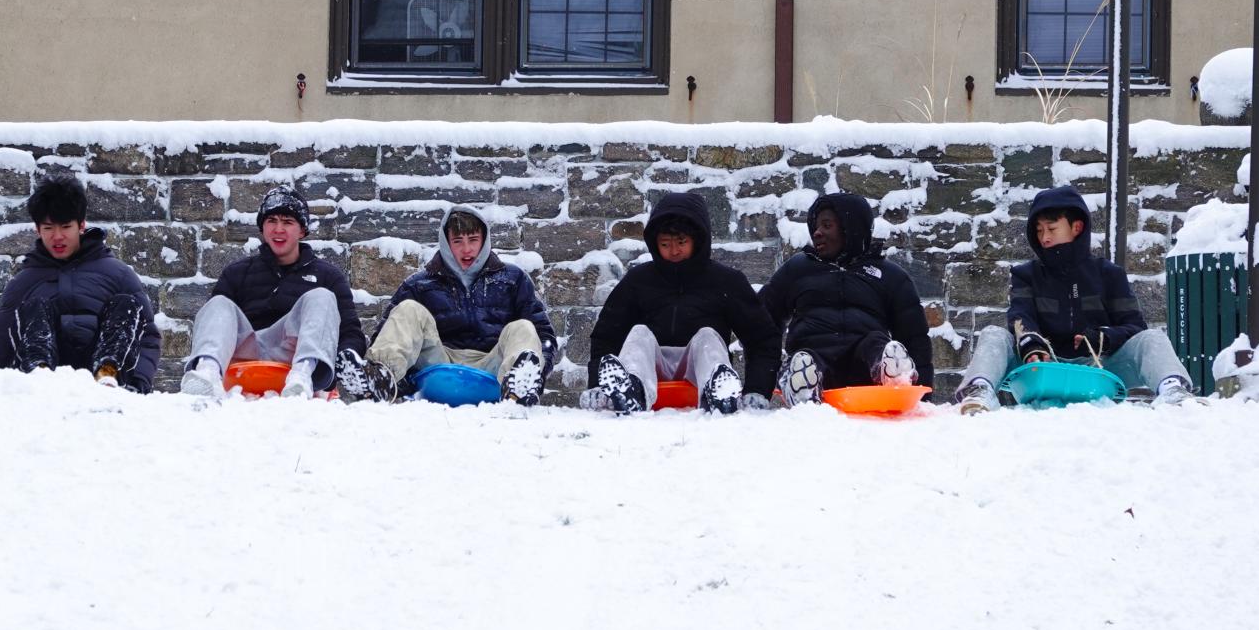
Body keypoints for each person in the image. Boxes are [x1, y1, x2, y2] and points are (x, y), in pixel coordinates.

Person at [955, 185, 1195, 414]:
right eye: (1039, 231)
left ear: (1076, 227)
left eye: (1051, 228)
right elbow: (1021, 315)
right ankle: (980, 391)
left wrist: (1105, 338)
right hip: (1041, 366)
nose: (1044, 237)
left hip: (1100, 368)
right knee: (993, 334)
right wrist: (1030, 343)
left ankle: (1173, 390)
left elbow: (1134, 327)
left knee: (1151, 337)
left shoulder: (1109, 274)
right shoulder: (1026, 275)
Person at [340, 204, 558, 405]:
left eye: (473, 240)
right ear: (446, 243)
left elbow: (543, 335)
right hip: (438, 365)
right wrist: (405, 382)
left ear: (484, 240)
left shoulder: (513, 279)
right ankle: (380, 380)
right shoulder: (420, 284)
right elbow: (388, 334)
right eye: (458, 242)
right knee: (408, 309)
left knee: (523, 327)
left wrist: (539, 375)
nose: (466, 249)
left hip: (494, 367)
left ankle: (520, 388)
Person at [585, 190, 777, 414]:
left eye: (681, 242)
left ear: (697, 240)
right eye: (665, 244)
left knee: (708, 336)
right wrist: (598, 385)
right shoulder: (638, 281)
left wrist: (757, 389)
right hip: (651, 372)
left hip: (699, 371)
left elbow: (762, 338)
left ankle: (719, 396)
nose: (674, 251)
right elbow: (607, 335)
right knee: (638, 333)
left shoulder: (726, 282)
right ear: (655, 244)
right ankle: (631, 392)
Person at [0, 173, 160, 388]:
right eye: (48, 228)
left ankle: (107, 375)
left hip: (109, 380)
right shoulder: (24, 283)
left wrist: (141, 383)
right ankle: (40, 373)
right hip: (45, 385)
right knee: (34, 305)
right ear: (37, 230)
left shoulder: (118, 274)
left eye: (65, 227)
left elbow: (147, 335)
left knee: (126, 304)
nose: (57, 237)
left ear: (81, 225)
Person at [179, 187, 364, 400]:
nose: (278, 229)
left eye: (287, 222)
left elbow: (351, 332)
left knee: (321, 296)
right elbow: (215, 325)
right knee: (219, 303)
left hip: (291, 359)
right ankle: (208, 373)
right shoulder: (237, 273)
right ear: (262, 228)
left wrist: (343, 363)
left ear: (302, 230)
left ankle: (302, 376)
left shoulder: (327, 276)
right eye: (272, 221)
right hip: (243, 361)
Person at [758, 191, 932, 406]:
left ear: (851, 228)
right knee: (805, 358)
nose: (817, 233)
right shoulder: (796, 270)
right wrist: (759, 385)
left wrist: (923, 402)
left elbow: (914, 337)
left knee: (876, 343)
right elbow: (762, 324)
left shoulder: (889, 275)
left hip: (866, 371)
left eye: (826, 226)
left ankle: (894, 374)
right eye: (815, 228)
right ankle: (802, 384)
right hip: (816, 362)